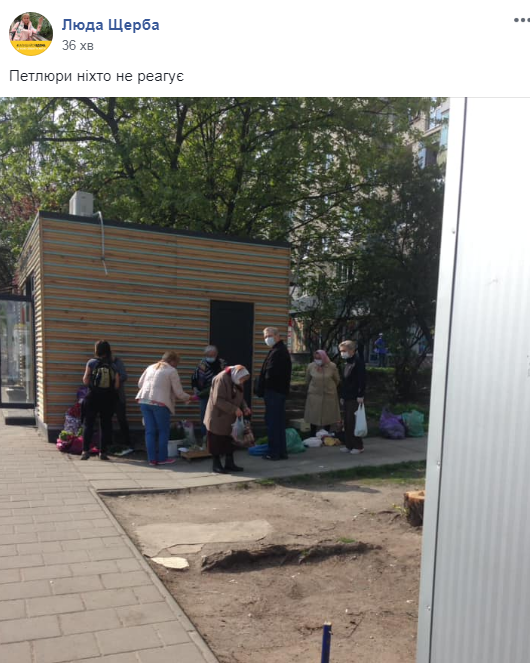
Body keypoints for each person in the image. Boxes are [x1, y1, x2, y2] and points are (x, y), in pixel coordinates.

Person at [136, 351, 194, 466]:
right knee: (163, 431)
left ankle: (152, 460)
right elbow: (178, 392)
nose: (176, 366)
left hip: (144, 401)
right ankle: (162, 458)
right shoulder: (171, 371)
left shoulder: (150, 367)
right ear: (172, 361)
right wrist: (189, 397)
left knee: (150, 431)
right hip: (160, 403)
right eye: (176, 363)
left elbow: (140, 384)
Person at [204, 365, 252, 474]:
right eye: (242, 379)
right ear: (237, 375)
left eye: (244, 380)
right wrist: (234, 409)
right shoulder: (221, 379)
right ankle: (216, 464)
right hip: (218, 416)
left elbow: (240, 397)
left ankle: (229, 463)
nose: (242, 382)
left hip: (230, 416)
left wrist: (244, 407)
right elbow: (218, 400)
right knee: (216, 440)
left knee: (230, 440)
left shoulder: (237, 379)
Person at [81, 340, 120, 461]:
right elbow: (116, 385)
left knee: (88, 424)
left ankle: (85, 451)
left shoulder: (91, 362)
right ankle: (103, 452)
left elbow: (85, 380)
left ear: (97, 350)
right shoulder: (113, 365)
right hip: (107, 398)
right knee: (105, 425)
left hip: (92, 397)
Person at [258, 327, 292, 461]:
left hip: (274, 391)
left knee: (273, 423)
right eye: (265, 336)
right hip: (277, 391)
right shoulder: (278, 350)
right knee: (278, 423)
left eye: (269, 335)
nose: (267, 339)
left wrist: (263, 386)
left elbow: (271, 374)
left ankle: (274, 452)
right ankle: (281, 451)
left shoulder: (278, 352)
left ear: (277, 336)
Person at [191, 345, 227, 438]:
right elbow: (194, 379)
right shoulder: (201, 365)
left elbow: (227, 377)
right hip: (204, 394)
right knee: (204, 416)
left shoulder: (222, 363)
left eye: (212, 355)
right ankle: (205, 437)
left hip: (219, 394)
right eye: (208, 355)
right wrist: (195, 389)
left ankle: (217, 437)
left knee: (218, 416)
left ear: (216, 354)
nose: (210, 357)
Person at [304, 350, 341, 437]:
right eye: (316, 358)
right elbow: (307, 380)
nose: (318, 360)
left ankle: (326, 435)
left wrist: (330, 388)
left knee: (328, 416)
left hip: (329, 395)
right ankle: (312, 435)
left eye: (319, 358)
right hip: (314, 395)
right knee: (313, 416)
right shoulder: (311, 366)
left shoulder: (332, 366)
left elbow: (337, 380)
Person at [339, 340, 367, 454]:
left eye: (344, 351)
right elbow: (345, 381)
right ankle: (349, 444)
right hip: (347, 396)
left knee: (353, 422)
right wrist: (342, 395)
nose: (342, 353)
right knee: (346, 422)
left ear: (352, 350)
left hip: (355, 396)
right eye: (341, 351)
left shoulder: (358, 362)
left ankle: (358, 445)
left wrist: (360, 394)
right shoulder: (347, 363)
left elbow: (362, 380)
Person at [112, 353, 131, 449]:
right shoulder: (102, 363)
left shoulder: (118, 362)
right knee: (106, 420)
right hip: (107, 397)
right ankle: (109, 441)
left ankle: (127, 440)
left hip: (118, 396)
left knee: (121, 418)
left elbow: (124, 376)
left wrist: (115, 379)